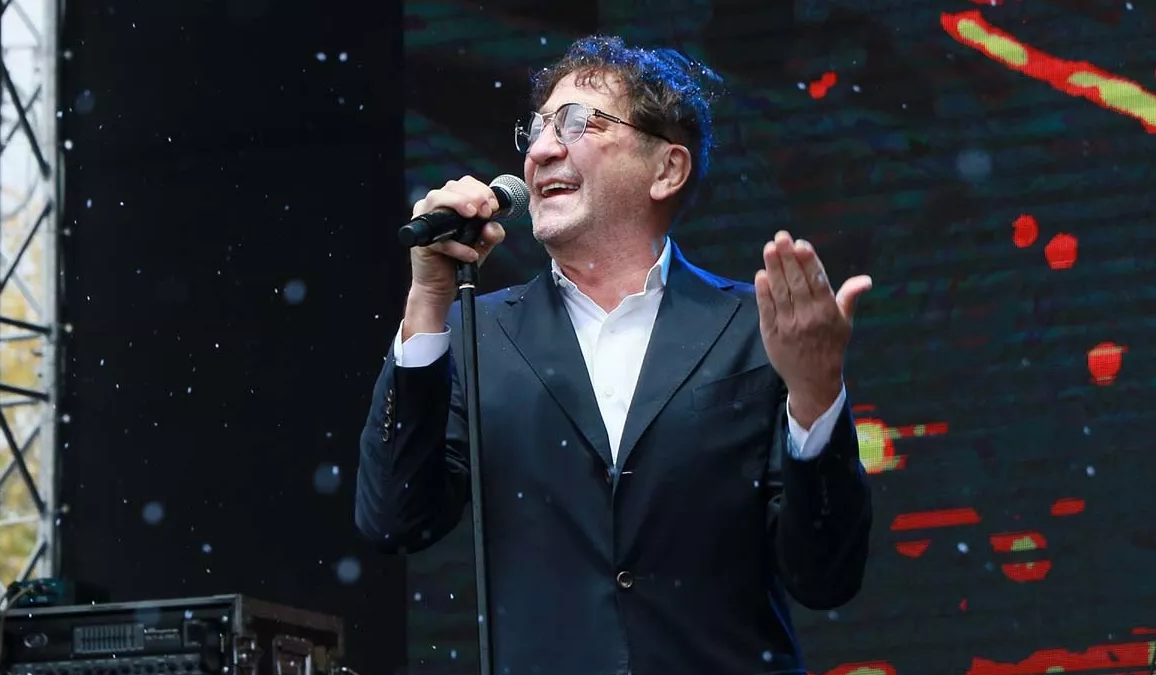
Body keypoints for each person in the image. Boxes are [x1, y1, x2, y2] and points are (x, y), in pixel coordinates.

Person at [356, 35, 873, 675]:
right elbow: (394, 519)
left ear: (667, 170)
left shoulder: (756, 329)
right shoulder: (474, 334)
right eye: (537, 130)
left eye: (578, 124)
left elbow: (824, 576)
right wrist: (428, 299)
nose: (540, 151)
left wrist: (816, 396)